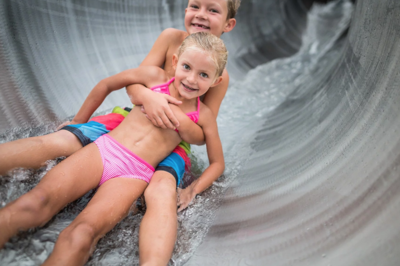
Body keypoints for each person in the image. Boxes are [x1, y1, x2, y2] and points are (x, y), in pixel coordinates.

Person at [0, 32, 227, 266]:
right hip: (102, 152)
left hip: (133, 175)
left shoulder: (203, 116)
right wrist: (78, 121)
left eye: (203, 75)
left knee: (81, 235)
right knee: (34, 203)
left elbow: (217, 162)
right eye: (187, 67)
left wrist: (193, 190)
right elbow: (107, 84)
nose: (191, 79)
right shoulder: (155, 79)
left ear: (216, 81)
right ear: (174, 62)